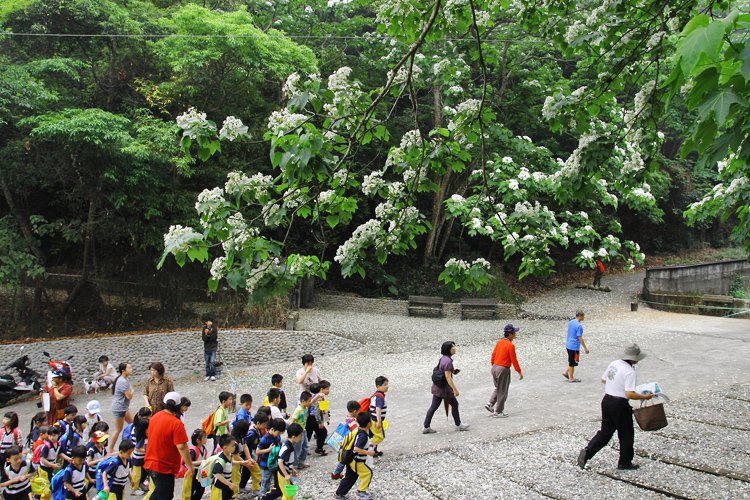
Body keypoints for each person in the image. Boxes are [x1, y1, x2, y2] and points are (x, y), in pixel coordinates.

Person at [578, 343, 654, 471]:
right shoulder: (630, 371)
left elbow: (603, 379)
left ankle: (588, 451)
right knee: (626, 434)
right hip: (620, 404)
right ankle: (624, 462)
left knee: (605, 432)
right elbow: (629, 393)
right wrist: (644, 397)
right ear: (633, 358)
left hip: (607, 400)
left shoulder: (615, 363)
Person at [143, 392, 194, 500]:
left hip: (150, 462)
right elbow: (182, 447)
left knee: (159, 493)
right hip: (164, 466)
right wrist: (190, 466)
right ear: (178, 406)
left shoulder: (155, 417)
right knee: (165, 496)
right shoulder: (176, 423)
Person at [424, 342, 469, 433]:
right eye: (453, 347)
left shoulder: (443, 358)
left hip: (437, 387)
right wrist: (455, 390)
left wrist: (454, 371)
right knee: (455, 405)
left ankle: (426, 427)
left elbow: (444, 372)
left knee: (433, 407)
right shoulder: (448, 361)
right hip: (445, 390)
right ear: (448, 349)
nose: (455, 348)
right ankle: (459, 425)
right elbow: (448, 378)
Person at [334, 412, 376, 500]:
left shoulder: (357, 430)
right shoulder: (363, 435)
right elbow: (357, 448)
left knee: (350, 477)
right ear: (369, 424)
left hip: (350, 459)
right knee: (367, 473)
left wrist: (369, 444)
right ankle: (361, 491)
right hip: (357, 461)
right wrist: (369, 453)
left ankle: (339, 494)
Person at [484, 324, 524, 418]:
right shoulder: (510, 345)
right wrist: (519, 371)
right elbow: (514, 360)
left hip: (494, 367)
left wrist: (494, 365)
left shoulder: (499, 342)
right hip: (503, 369)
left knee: (498, 387)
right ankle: (498, 411)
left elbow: (493, 355)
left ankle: (490, 403)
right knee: (503, 390)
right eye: (514, 333)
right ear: (510, 334)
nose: (515, 334)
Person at [262, 423, 302, 500]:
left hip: (283, 473)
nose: (301, 437)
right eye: (300, 436)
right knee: (287, 494)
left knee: (288, 492)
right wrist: (286, 474)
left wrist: (292, 469)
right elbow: (280, 461)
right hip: (282, 474)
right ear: (294, 437)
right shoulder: (288, 448)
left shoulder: (287, 443)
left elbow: (285, 461)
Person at [331, 400, 361, 480]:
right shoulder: (353, 422)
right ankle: (336, 473)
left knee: (343, 458)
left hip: (344, 441)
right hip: (349, 442)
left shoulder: (348, 417)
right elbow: (356, 431)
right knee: (345, 459)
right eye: (358, 411)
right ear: (355, 411)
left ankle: (336, 473)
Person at [109, 362, 133, 454]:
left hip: (124, 407)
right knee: (118, 429)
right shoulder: (122, 381)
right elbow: (129, 396)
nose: (131, 369)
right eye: (129, 368)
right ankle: (110, 449)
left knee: (132, 424)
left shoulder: (124, 379)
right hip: (119, 408)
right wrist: (132, 391)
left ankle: (132, 442)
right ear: (123, 371)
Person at [256, 418, 284, 496]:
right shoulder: (265, 438)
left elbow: (279, 445)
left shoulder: (277, 437)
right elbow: (257, 451)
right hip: (265, 464)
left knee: (272, 481)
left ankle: (268, 496)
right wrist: (268, 449)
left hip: (274, 463)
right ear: (272, 429)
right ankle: (261, 496)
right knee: (265, 481)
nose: (279, 435)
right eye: (278, 433)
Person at [564, 310, 589, 383]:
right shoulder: (579, 326)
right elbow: (580, 337)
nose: (584, 317)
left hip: (568, 345)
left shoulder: (571, 322)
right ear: (580, 316)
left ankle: (565, 372)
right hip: (574, 347)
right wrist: (585, 348)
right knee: (573, 363)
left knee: (572, 360)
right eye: (583, 316)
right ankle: (571, 378)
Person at [288, 392, 312, 469]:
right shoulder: (298, 410)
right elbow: (292, 420)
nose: (310, 402)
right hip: (298, 433)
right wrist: (291, 433)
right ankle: (294, 465)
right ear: (303, 401)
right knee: (297, 449)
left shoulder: (305, 408)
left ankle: (301, 462)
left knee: (306, 446)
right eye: (309, 401)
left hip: (303, 431)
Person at [210, 435, 238, 500]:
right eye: (232, 446)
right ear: (225, 448)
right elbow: (217, 474)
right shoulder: (221, 461)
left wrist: (243, 463)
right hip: (220, 487)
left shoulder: (229, 455)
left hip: (226, 484)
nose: (234, 447)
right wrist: (229, 484)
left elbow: (230, 463)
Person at [368, 377, 389, 450]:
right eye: (385, 385)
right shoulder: (380, 397)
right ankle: (369, 447)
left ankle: (374, 450)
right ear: (378, 386)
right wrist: (379, 421)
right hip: (375, 420)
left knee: (375, 435)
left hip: (372, 418)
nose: (387, 386)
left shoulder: (376, 394)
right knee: (380, 436)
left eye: (387, 384)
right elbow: (378, 409)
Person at [201, 315, 219, 382]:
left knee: (212, 361)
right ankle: (207, 375)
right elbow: (204, 339)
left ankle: (213, 374)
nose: (209, 322)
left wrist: (209, 333)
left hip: (213, 347)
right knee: (207, 362)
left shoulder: (214, 328)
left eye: (210, 321)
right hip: (206, 348)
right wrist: (206, 334)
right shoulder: (204, 328)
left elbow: (215, 337)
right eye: (207, 321)